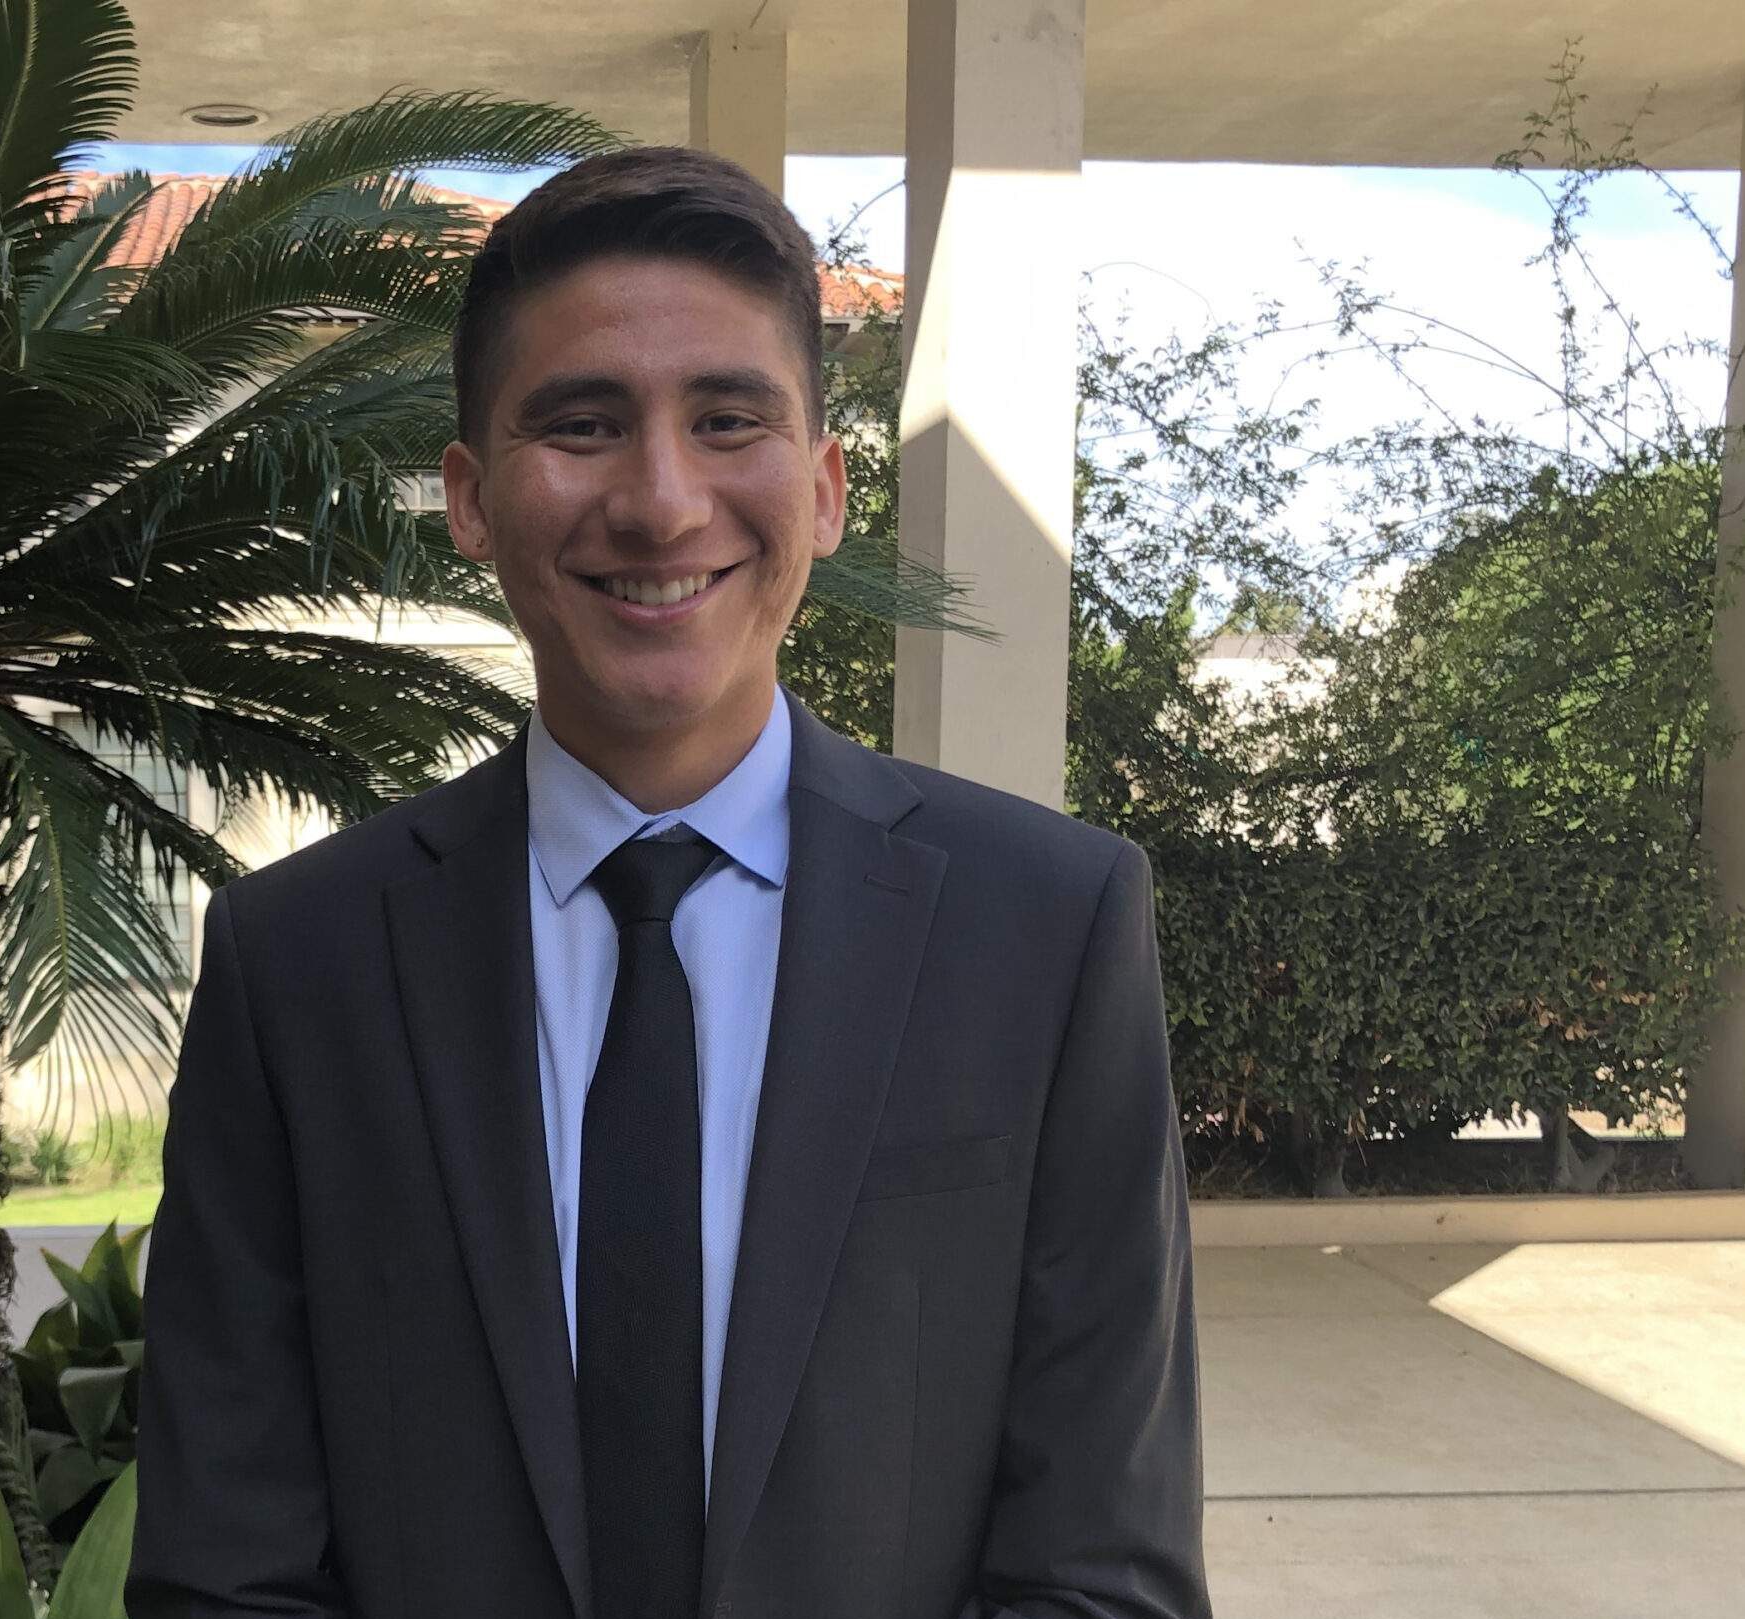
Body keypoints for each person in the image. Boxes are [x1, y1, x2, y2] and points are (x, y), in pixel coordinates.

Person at [128, 145, 1211, 1619]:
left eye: (728, 419)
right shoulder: (301, 962)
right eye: (580, 423)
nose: (659, 500)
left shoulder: (1049, 929)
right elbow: (225, 1574)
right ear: (469, 497)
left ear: (826, 490)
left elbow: (1101, 1570)